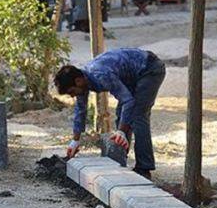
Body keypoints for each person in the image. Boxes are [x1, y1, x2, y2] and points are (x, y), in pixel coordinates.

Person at [55, 48, 167, 178]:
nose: (73, 96)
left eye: (72, 92)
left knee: (137, 115)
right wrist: (75, 141)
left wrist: (121, 131)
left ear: (78, 81)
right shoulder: (82, 80)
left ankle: (144, 168)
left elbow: (128, 101)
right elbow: (80, 110)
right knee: (122, 116)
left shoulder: (101, 75)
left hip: (149, 69)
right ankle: (119, 161)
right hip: (133, 75)